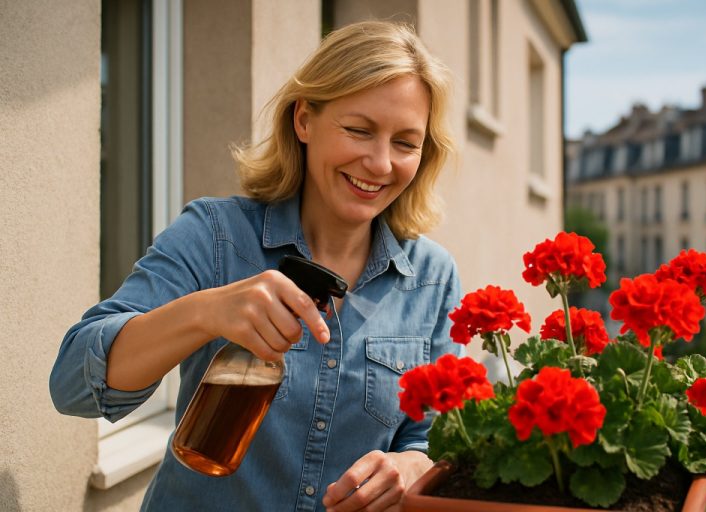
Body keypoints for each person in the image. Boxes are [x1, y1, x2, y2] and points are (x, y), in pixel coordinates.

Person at [50, 20, 462, 512]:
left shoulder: (433, 280)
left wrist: (417, 464)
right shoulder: (216, 234)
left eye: (405, 143)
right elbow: (73, 385)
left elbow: (436, 440)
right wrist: (205, 313)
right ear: (304, 119)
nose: (379, 162)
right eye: (359, 130)